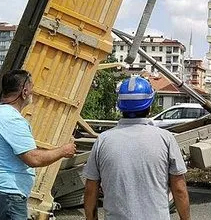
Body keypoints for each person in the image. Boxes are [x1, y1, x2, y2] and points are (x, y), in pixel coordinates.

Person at [0, 69, 77, 220]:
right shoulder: (12, 119)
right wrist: (63, 151)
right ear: (25, 91)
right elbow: (33, 158)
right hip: (6, 195)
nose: (33, 92)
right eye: (32, 87)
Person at [82, 76, 191, 220]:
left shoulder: (103, 140)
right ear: (149, 106)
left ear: (120, 106)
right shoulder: (165, 139)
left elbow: (91, 190)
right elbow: (179, 189)